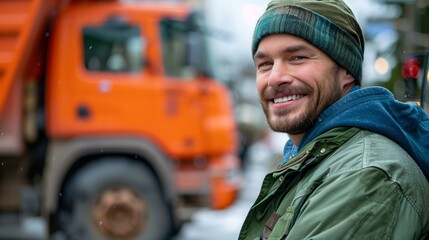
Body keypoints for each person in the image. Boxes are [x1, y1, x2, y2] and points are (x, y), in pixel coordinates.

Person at [238, 0, 429, 239]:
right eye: (265, 64)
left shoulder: (364, 175)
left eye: (297, 58)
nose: (275, 78)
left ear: (346, 71)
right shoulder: (316, 159)